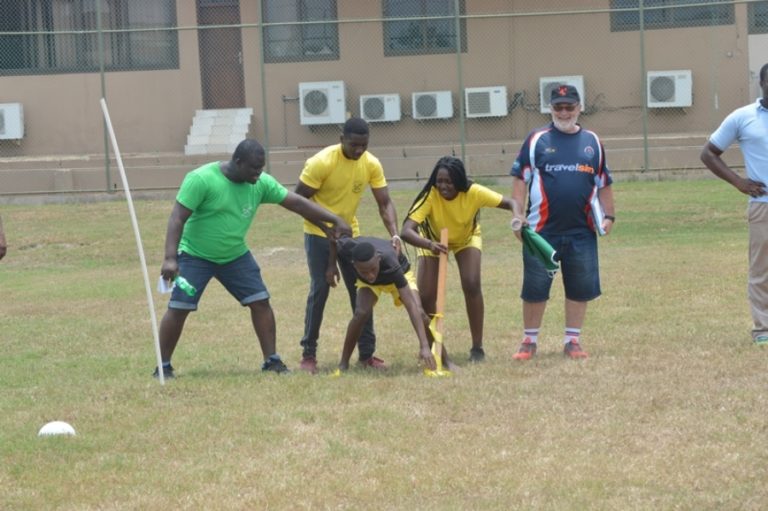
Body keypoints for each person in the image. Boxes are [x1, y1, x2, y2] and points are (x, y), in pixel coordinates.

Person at [155, 139, 351, 379]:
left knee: (260, 302)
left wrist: (334, 219)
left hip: (234, 255)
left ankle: (272, 361)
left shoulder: (260, 183)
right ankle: (163, 366)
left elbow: (297, 203)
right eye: (254, 168)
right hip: (195, 255)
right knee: (179, 307)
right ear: (237, 162)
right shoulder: (201, 179)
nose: (258, 174)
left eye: (261, 168)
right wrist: (170, 258)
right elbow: (177, 218)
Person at [509, 84, 615, 360]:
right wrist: (518, 215)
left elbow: (603, 182)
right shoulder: (537, 139)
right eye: (558, 107)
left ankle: (572, 341)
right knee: (535, 287)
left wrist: (609, 216)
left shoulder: (593, 141)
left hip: (582, 231)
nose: (564, 112)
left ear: (580, 108)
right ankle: (529, 341)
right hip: (541, 231)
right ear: (551, 108)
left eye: (570, 107)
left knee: (579, 286)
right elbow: (520, 178)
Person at [295, 117, 401, 374]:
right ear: (341, 138)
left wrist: (395, 234)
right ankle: (308, 354)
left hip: (349, 234)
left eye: (364, 145)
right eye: (354, 144)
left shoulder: (371, 163)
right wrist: (325, 227)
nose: (359, 150)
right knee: (320, 288)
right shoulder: (321, 162)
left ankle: (366, 355)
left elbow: (385, 203)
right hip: (318, 232)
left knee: (363, 289)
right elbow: (298, 200)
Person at [401, 156, 524, 362]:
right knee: (427, 296)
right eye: (439, 181)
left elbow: (511, 202)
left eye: (448, 182)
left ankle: (477, 348)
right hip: (432, 241)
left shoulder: (474, 192)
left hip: (466, 238)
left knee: (471, 283)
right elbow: (406, 231)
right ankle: (433, 348)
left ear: (459, 181)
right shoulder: (431, 195)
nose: (443, 186)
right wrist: (430, 245)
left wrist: (518, 215)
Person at [701, 62, 768, 346]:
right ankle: (763, 328)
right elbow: (708, 153)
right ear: (762, 84)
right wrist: (739, 182)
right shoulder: (743, 117)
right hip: (763, 205)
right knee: (761, 270)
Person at [332, 235, 449, 373]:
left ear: (378, 259)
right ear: (354, 264)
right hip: (371, 285)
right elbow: (334, 242)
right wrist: (331, 266)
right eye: (364, 272)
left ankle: (446, 360)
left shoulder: (390, 261)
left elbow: (411, 305)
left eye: (372, 269)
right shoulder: (347, 248)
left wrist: (424, 346)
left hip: (398, 275)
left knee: (420, 312)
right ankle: (343, 364)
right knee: (360, 313)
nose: (370, 275)